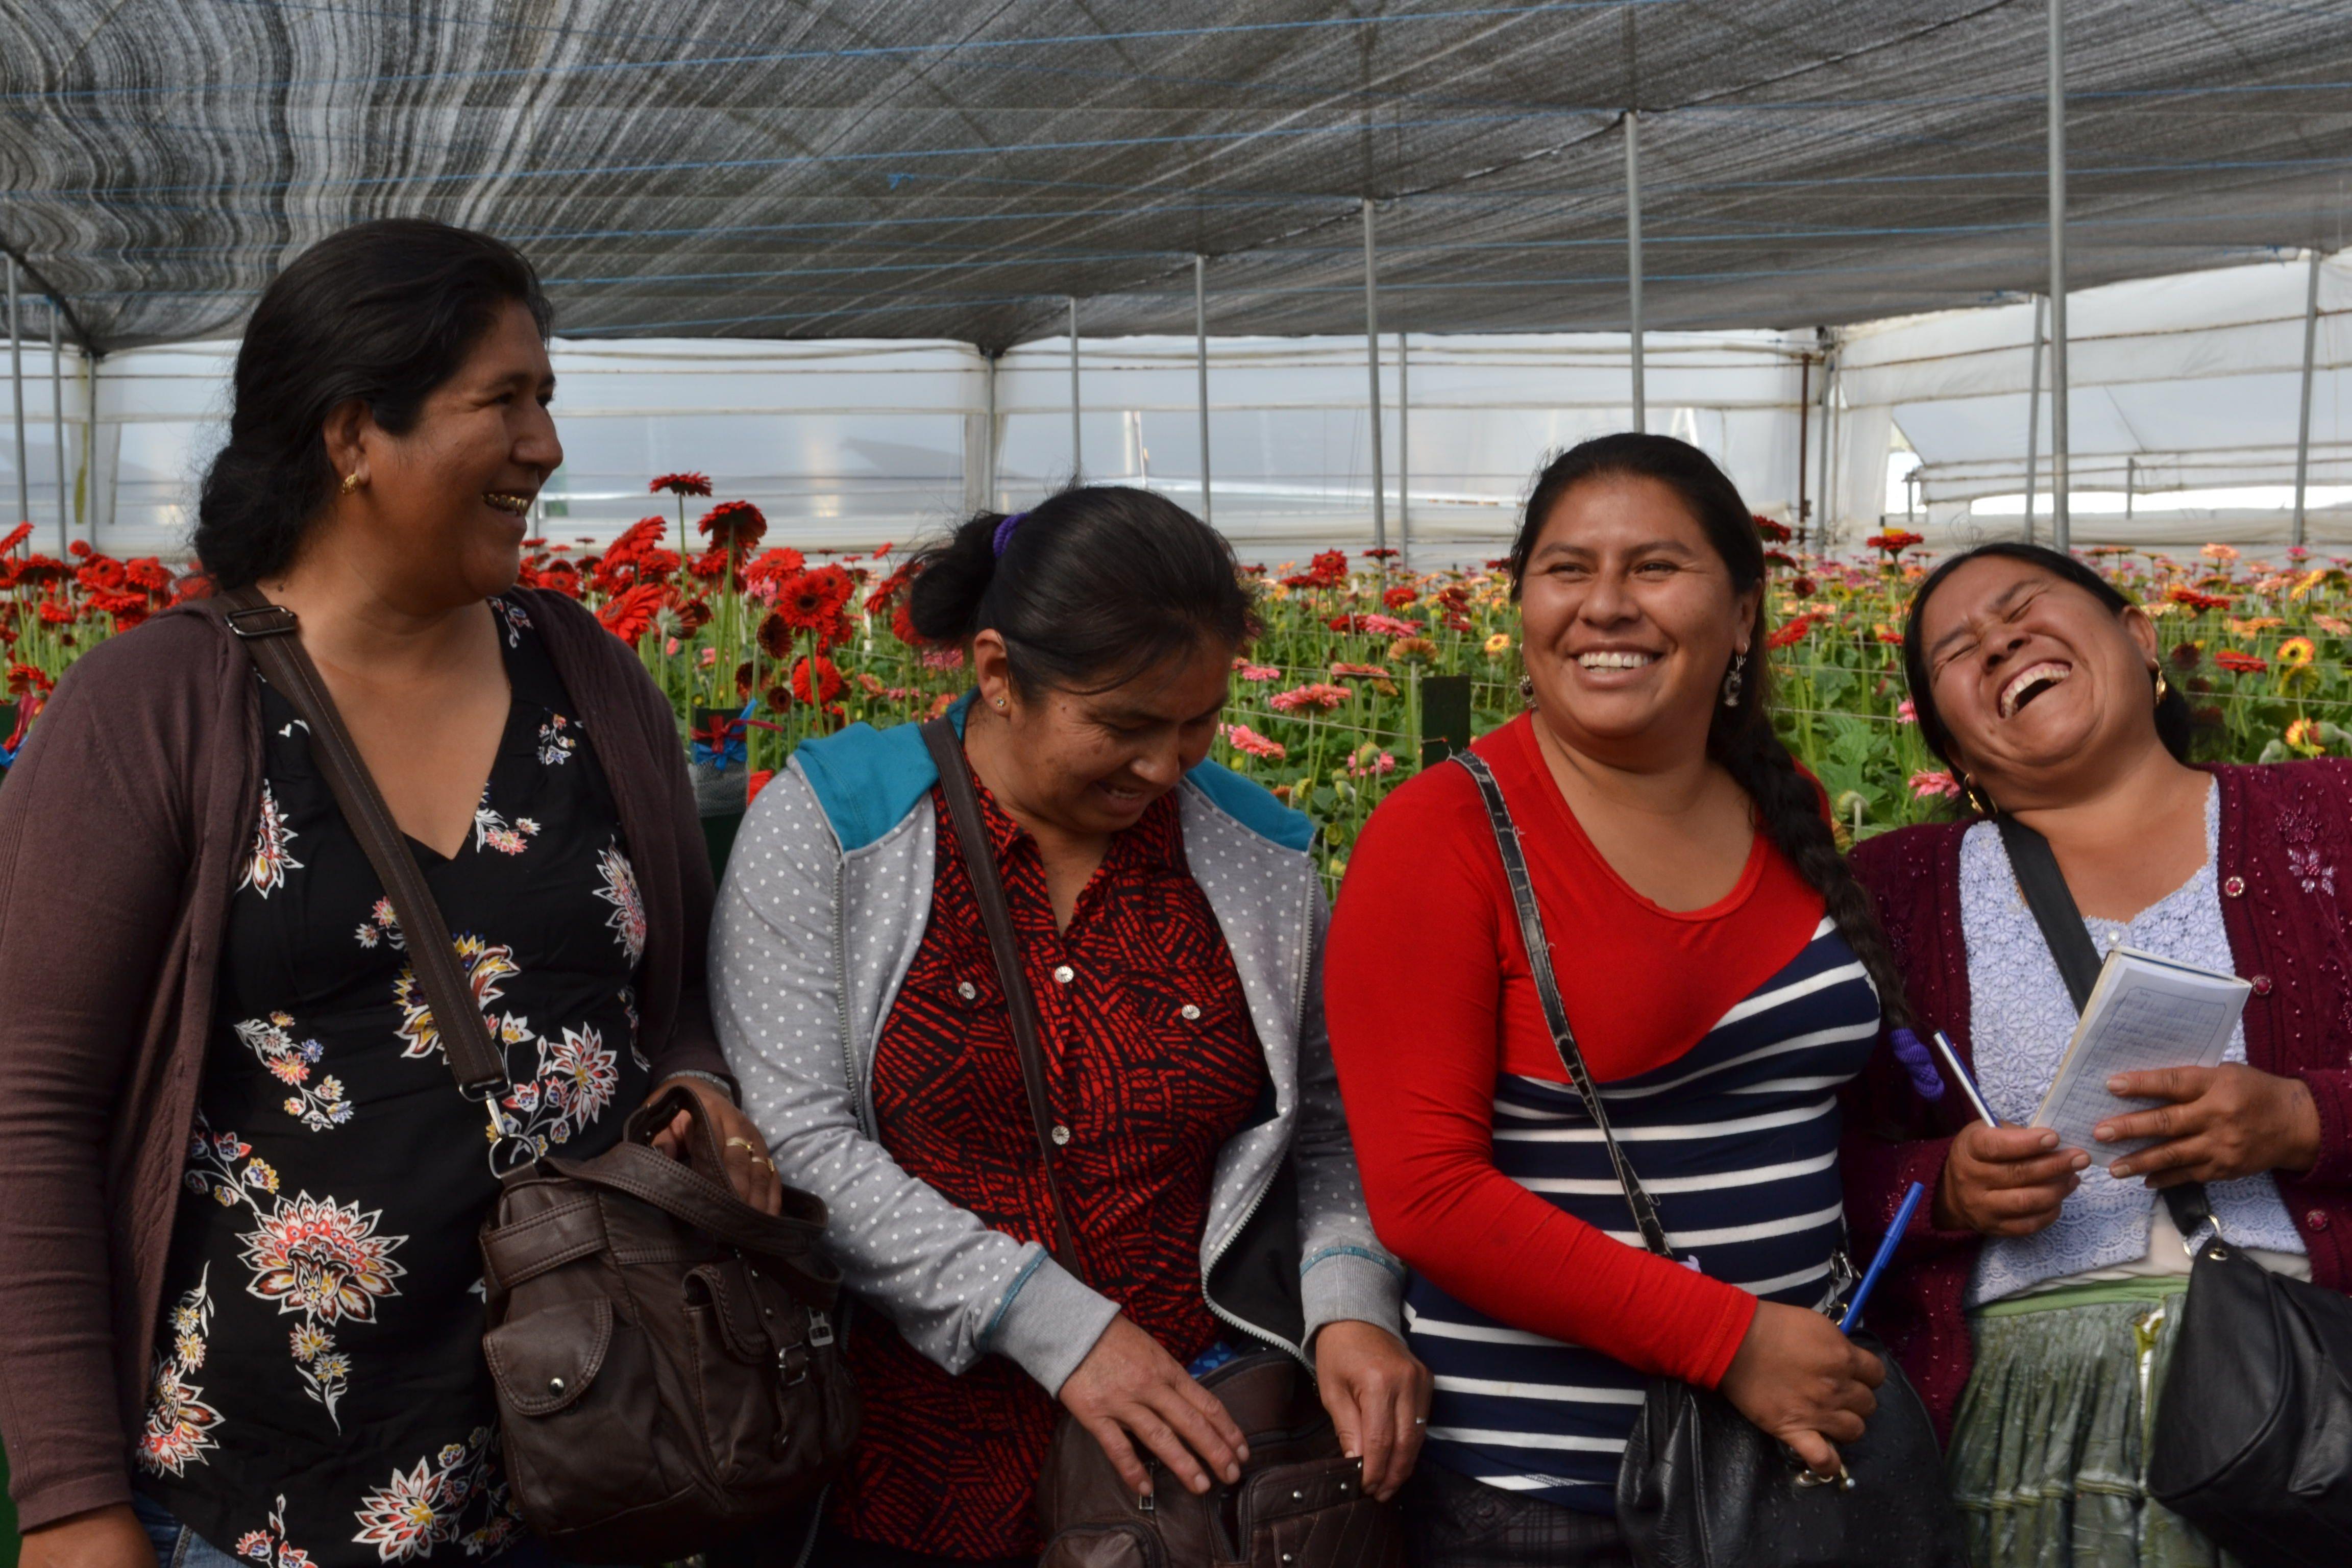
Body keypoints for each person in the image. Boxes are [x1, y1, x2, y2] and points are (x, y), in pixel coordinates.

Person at [0, 219, 775, 1568]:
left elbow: (680, 995)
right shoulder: (161, 707)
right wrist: (71, 1499)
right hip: (261, 1506)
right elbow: (32, 1109)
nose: (544, 445)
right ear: (355, 435)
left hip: (599, 1474)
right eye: (505, 401)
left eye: (549, 400)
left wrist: (699, 1088)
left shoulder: (587, 681)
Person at [710, 485, 1427, 1566]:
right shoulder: (835, 826)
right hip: (904, 1469)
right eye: (1124, 725)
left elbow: (1325, 1126)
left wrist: (1349, 1300)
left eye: (1196, 723)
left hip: (1187, 1476)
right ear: (998, 674)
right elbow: (799, 1137)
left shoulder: (1258, 857)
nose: (1164, 765)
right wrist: (1057, 1325)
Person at [1325, 433, 1897, 1565]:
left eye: (1655, 567)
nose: (1606, 606)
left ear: (1744, 613)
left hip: (1796, 1465)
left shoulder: (1786, 805)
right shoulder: (1441, 835)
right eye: (1568, 569)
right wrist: (1732, 1342)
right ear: (1522, 603)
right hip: (1557, 1504)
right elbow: (1428, 1197)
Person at [1844, 541, 2351, 1568]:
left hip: (2307, 1409)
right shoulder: (1888, 890)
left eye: (2025, 607)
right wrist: (1936, 1188)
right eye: (1956, 650)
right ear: (1952, 743)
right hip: (2023, 1435)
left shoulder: (2331, 818)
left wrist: (2306, 1120)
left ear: (2136, 635)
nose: (1999, 641)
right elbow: (1793, 1157)